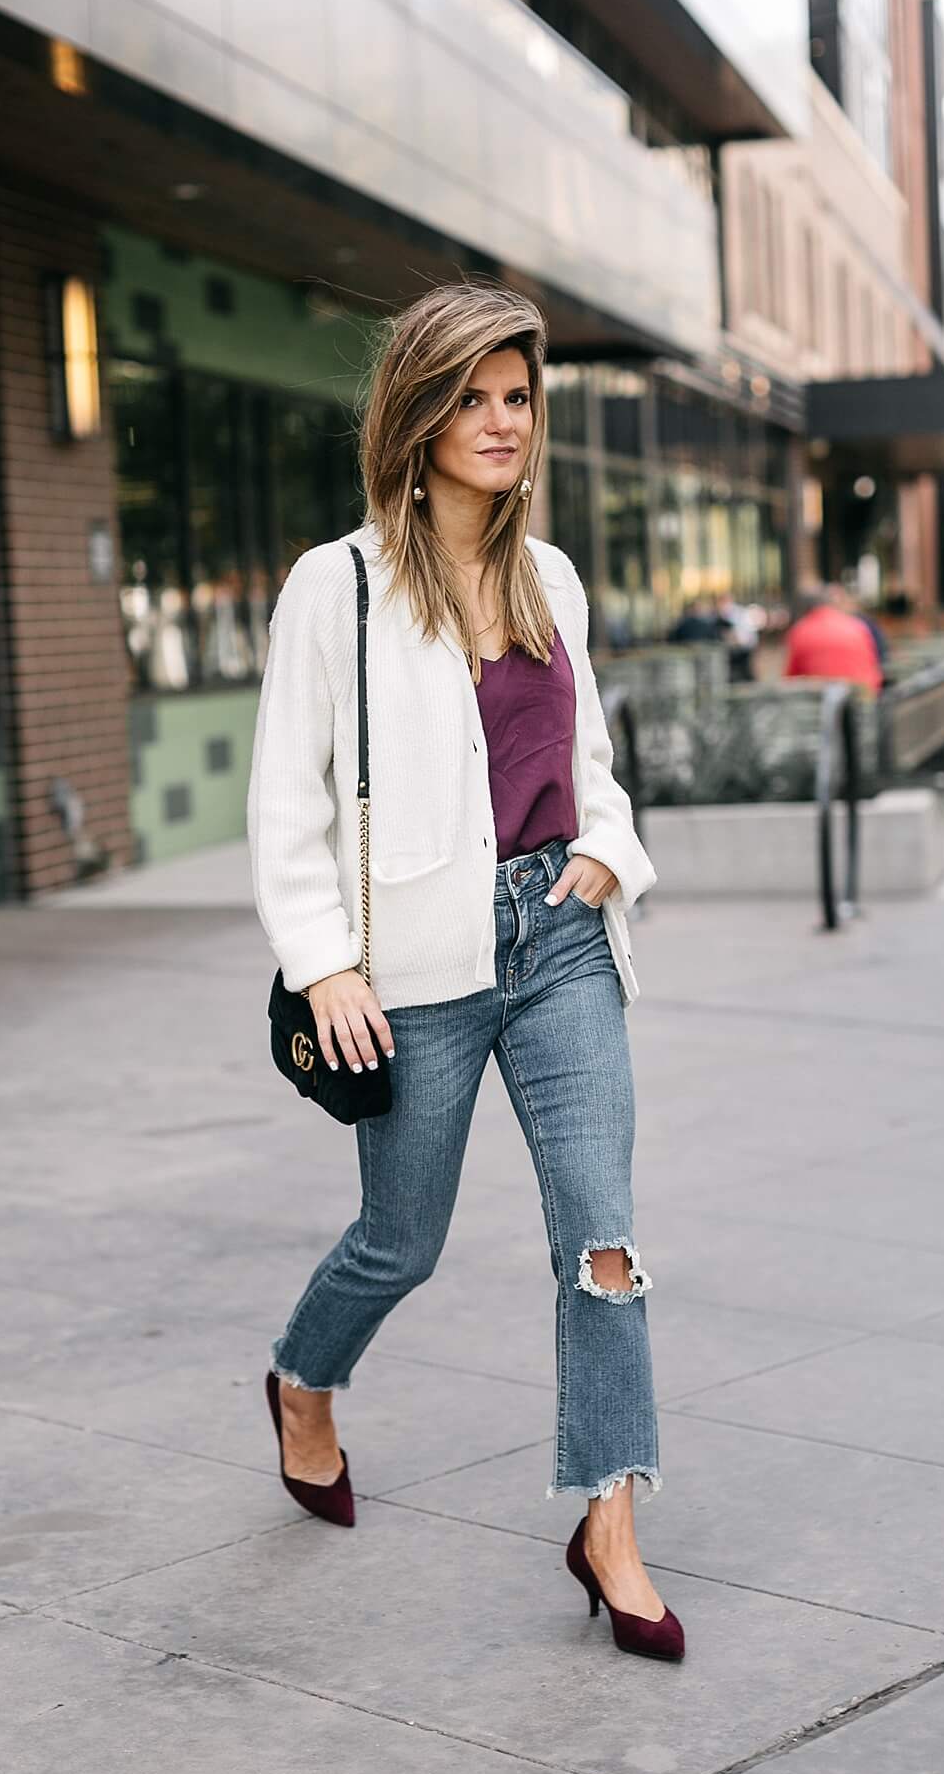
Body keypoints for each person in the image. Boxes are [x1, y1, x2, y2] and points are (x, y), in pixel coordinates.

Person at [247, 281, 682, 1662]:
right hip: (414, 967)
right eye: (471, 396)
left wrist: (610, 850)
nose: (500, 422)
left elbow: (590, 764)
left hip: (559, 938)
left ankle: (610, 1523)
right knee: (403, 1239)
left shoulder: (551, 577)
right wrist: (323, 964)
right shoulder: (342, 583)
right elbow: (286, 798)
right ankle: (304, 1381)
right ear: (417, 414)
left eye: (518, 396)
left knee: (602, 1241)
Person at [782, 582, 885, 692]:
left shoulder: (800, 630)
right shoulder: (857, 625)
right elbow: (874, 665)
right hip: (864, 695)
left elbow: (791, 677)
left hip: (824, 699)